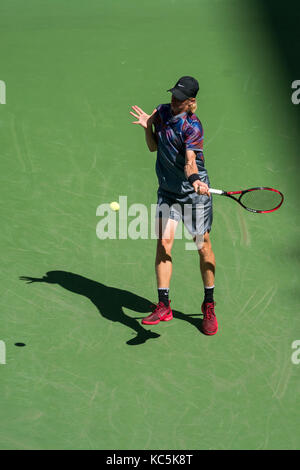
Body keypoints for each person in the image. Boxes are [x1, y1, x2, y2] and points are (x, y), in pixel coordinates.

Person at [130, 76, 218, 335]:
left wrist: (195, 180)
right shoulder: (163, 112)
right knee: (163, 244)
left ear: (191, 101)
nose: (174, 99)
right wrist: (148, 126)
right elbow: (152, 148)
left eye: (180, 97)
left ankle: (209, 304)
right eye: (173, 94)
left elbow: (190, 162)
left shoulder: (193, 127)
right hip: (168, 192)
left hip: (195, 193)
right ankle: (164, 305)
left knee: (203, 247)